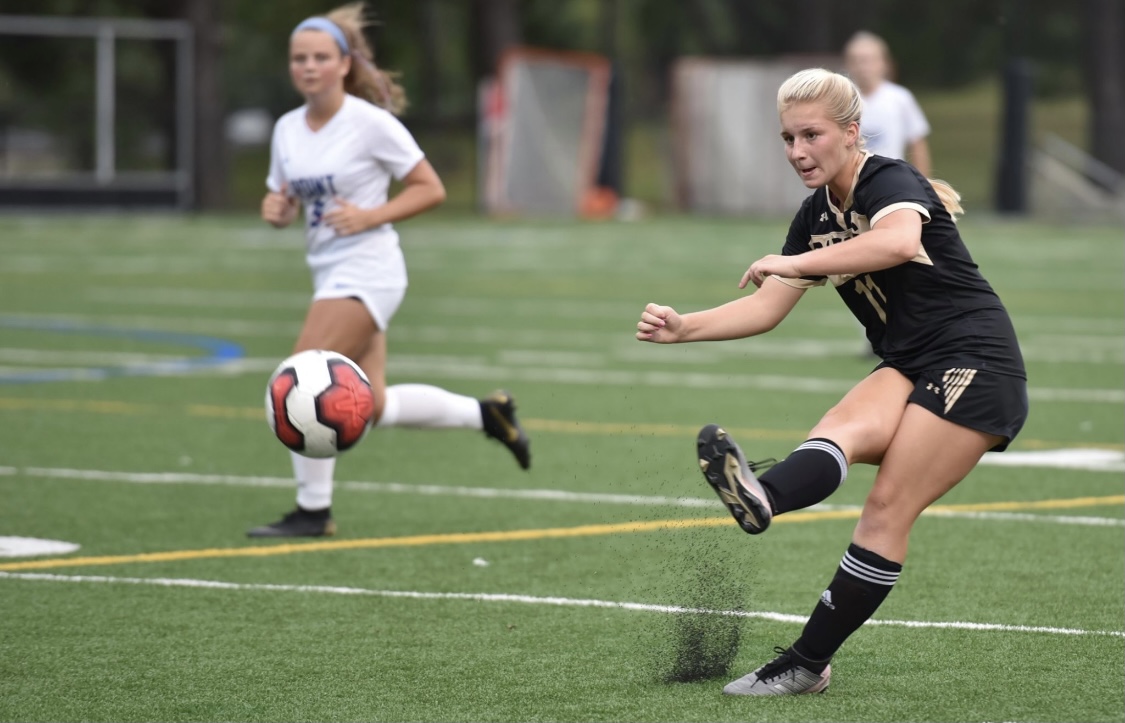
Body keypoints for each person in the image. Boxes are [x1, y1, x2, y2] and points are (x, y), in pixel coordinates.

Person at [635, 68, 1027, 695]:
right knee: (836, 433)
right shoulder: (815, 213)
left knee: (885, 510)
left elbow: (897, 242)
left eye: (810, 135)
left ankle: (806, 664)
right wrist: (686, 327)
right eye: (787, 138)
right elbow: (766, 307)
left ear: (850, 133)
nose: (797, 152)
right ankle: (761, 498)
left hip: (974, 360)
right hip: (908, 362)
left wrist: (794, 261)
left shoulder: (889, 179)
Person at [251, 3, 530, 538]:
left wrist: (369, 215)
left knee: (300, 378)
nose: (308, 66)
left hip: (368, 271)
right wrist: (276, 211)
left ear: (344, 64)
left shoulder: (369, 124)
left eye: (319, 57)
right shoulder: (287, 128)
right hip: (328, 271)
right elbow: (283, 200)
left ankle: (313, 511)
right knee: (372, 405)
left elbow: (431, 188)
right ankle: (487, 415)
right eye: (298, 58)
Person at [844, 30, 932, 177]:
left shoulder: (900, 98)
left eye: (868, 60)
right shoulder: (842, 99)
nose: (862, 66)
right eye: (856, 60)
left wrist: (924, 183)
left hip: (893, 179)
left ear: (883, 63)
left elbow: (917, 143)